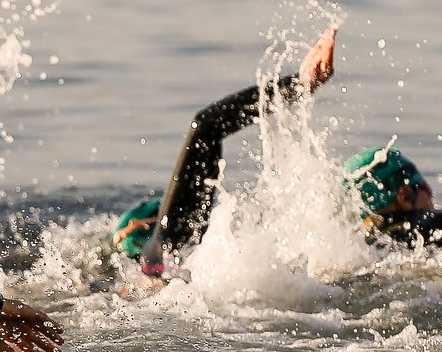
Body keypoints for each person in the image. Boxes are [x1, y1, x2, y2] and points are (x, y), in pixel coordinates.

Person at [111, 26, 339, 282]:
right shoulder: (161, 248)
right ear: (146, 225)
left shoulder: (168, 260)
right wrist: (298, 83)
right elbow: (208, 126)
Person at [339, 142, 442, 255]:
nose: (431, 196)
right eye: (425, 189)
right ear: (405, 196)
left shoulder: (362, 248)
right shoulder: (441, 224)